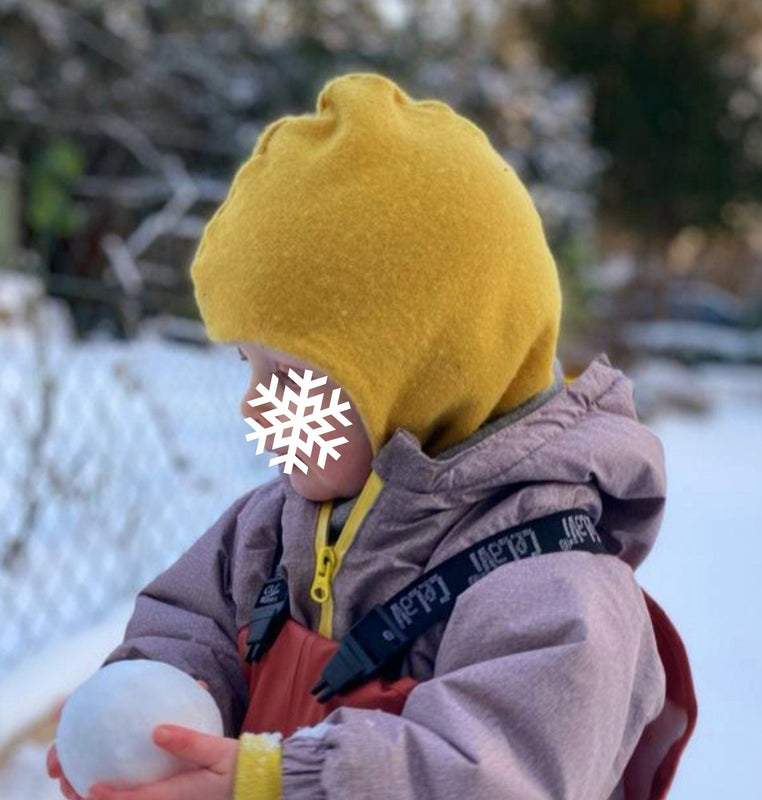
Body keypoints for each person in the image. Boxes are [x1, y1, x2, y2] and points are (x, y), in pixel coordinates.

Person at [46, 71, 696, 800]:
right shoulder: (268, 531)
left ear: (422, 377)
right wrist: (158, 709)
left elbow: (490, 775)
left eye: (292, 377)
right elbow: (185, 617)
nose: (256, 408)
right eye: (246, 364)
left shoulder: (555, 592)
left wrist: (275, 782)